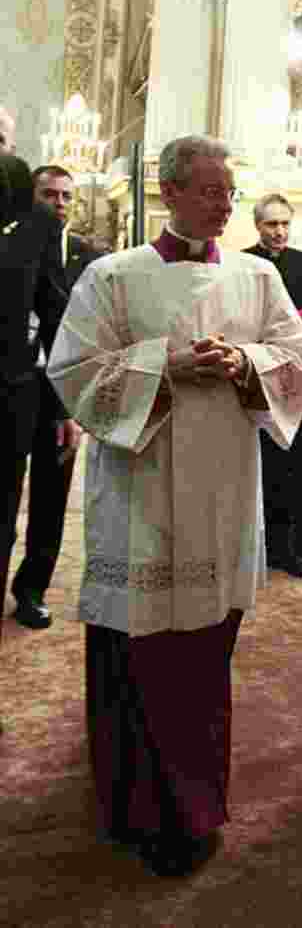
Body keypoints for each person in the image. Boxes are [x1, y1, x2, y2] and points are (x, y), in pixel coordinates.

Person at [47, 135, 302, 877]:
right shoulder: (113, 275)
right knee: (139, 653)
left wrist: (246, 363)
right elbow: (72, 373)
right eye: (210, 191)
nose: (226, 203)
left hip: (225, 489)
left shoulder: (259, 277)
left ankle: (191, 807)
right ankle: (134, 802)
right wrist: (166, 362)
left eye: (230, 191)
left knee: (201, 660)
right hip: (142, 493)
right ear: (170, 192)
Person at [9, 165, 101, 630]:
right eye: (49, 194)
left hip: (62, 393)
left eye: (66, 195)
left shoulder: (89, 257)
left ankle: (32, 590)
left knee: (51, 498)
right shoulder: (14, 243)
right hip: (18, 386)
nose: (58, 203)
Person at [0, 153, 66, 714]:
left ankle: (30, 588)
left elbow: (60, 314)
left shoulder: (59, 237)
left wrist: (69, 402)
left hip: (32, 393)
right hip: (14, 387)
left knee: (25, 515)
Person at [245, 194, 302, 577]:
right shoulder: (244, 263)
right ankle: (268, 546)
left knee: (299, 467)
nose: (279, 232)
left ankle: (297, 549)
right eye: (271, 225)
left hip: (298, 377)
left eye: (284, 224)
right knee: (265, 466)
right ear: (258, 226)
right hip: (260, 377)